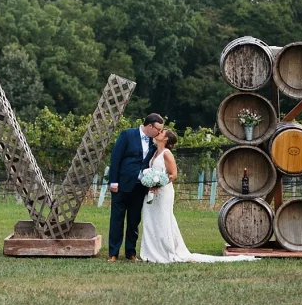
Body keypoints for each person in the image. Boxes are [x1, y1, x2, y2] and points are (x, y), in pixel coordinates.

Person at [140, 128, 257, 263]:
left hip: (163, 191)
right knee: (152, 219)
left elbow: (173, 174)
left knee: (163, 219)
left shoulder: (167, 154)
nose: (158, 133)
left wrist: (158, 184)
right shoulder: (155, 153)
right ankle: (153, 251)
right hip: (152, 192)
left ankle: (167, 251)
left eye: (161, 133)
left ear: (165, 139)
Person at [107, 113, 164, 262]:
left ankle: (130, 252)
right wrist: (113, 182)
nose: (159, 132)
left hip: (139, 187)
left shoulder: (153, 144)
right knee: (117, 220)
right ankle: (113, 252)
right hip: (121, 185)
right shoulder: (127, 135)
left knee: (134, 221)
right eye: (158, 129)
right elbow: (116, 157)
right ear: (150, 126)